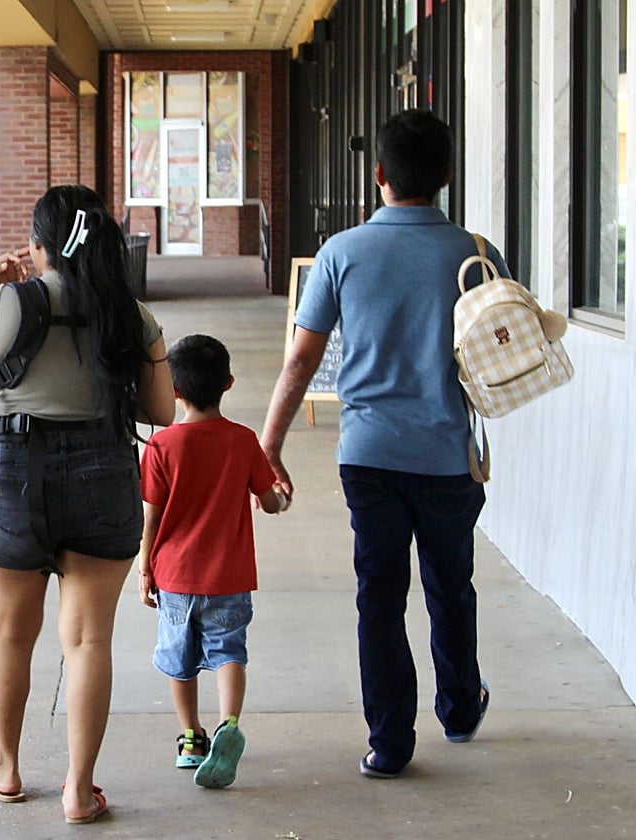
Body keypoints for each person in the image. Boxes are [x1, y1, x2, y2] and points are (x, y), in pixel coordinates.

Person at [259, 110, 507, 779]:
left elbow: (301, 360)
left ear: (378, 175)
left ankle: (390, 743)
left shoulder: (342, 253)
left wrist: (270, 444)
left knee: (380, 594)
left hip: (368, 455)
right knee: (450, 586)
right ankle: (459, 708)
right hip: (448, 454)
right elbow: (499, 352)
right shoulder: (477, 254)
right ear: (446, 175)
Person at [0, 184, 175, 823]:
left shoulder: (3, 302)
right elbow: (160, 410)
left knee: (11, 632)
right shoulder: (129, 315)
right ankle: (79, 789)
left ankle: (7, 768)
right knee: (89, 639)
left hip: (15, 474)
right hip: (103, 473)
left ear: (41, 245)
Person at [137, 334, 286, 789]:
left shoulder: (161, 446)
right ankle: (229, 725)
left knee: (178, 659)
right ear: (229, 383)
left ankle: (191, 738)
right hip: (229, 576)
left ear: (174, 392)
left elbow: (151, 516)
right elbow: (269, 500)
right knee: (229, 652)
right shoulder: (243, 441)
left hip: (175, 576)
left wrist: (145, 567)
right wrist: (279, 499)